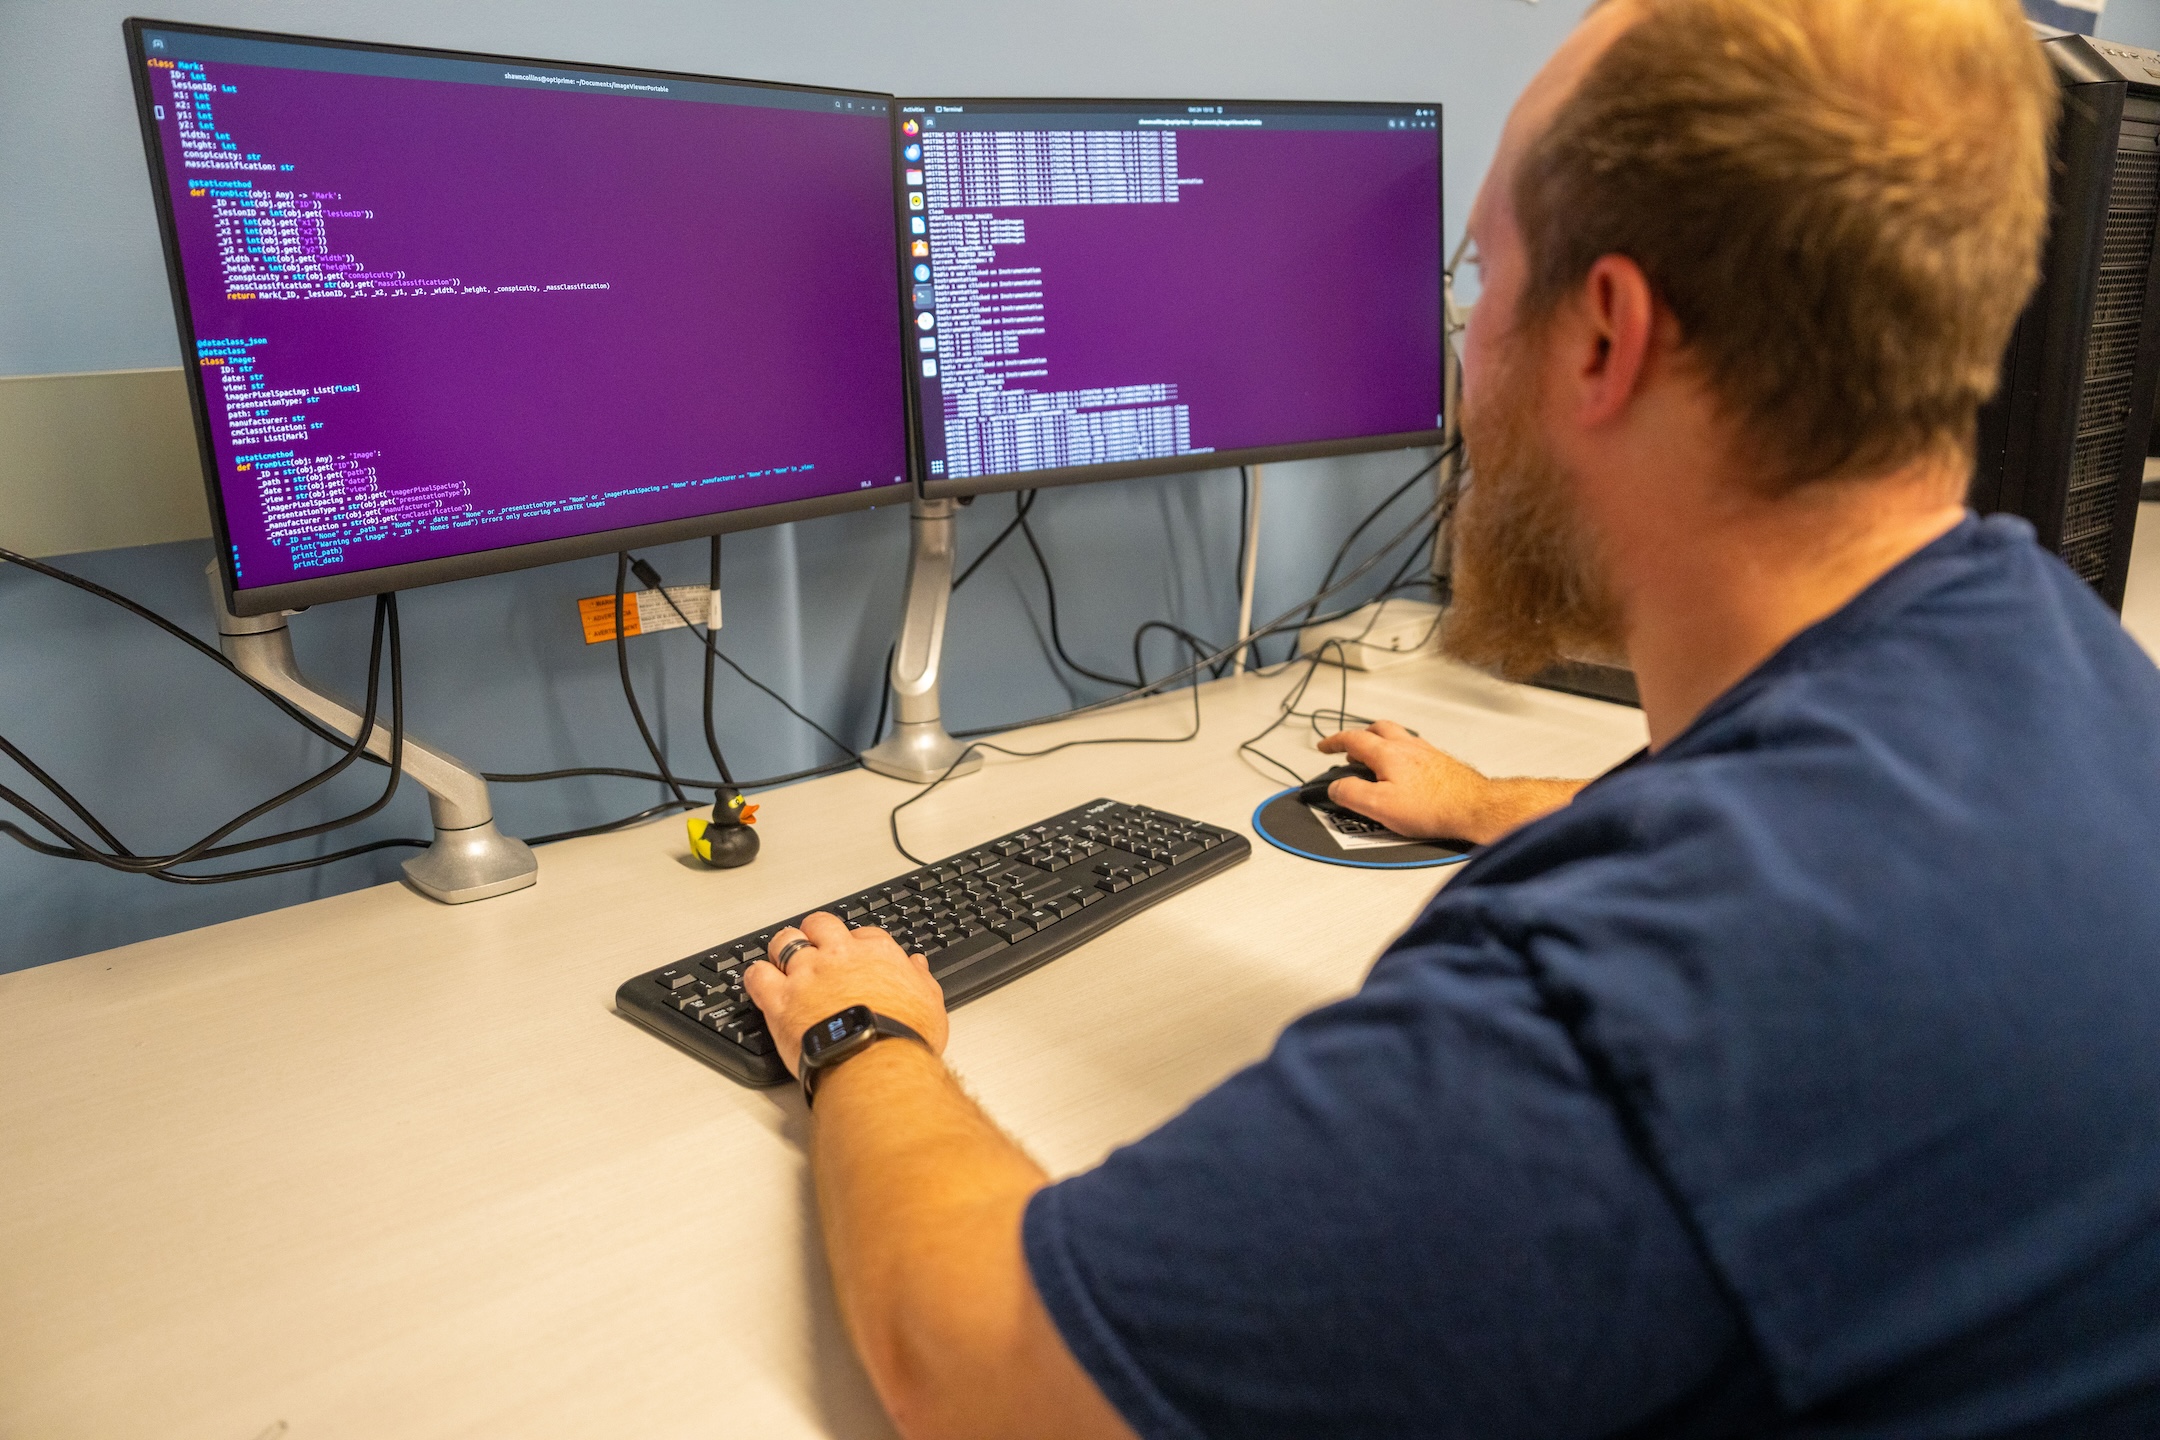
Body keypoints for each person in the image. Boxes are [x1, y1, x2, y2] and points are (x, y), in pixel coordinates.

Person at [745, 0, 2160, 1434]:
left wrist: (866, 1036)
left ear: (1606, 335)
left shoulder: (1634, 994)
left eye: (1484, 279)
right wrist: (1491, 804)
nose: (1464, 350)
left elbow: (985, 1373)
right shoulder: (2048, 664)